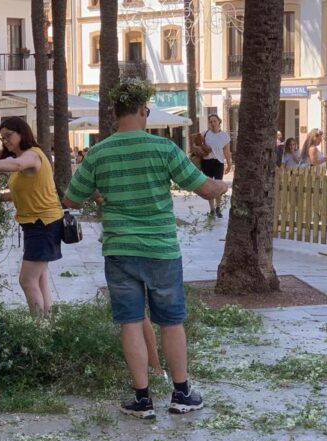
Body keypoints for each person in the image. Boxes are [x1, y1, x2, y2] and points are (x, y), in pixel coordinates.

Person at [63, 78, 228, 419]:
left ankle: (142, 399)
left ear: (113, 113)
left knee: (130, 321)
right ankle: (181, 394)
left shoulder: (98, 152)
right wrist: (224, 185)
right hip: (161, 249)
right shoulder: (164, 149)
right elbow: (206, 190)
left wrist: (99, 195)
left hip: (120, 249)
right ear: (142, 111)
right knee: (171, 322)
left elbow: (70, 199)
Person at [0, 117, 64, 318]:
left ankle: (38, 328)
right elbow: (23, 190)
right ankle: (46, 325)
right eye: (3, 138)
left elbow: (18, 164)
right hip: (35, 224)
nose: (6, 141)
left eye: (9, 135)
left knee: (27, 280)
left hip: (43, 223)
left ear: (22, 133)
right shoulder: (27, 157)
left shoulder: (33, 155)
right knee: (40, 278)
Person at [200, 113, 232, 218]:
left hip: (219, 162)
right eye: (210, 121)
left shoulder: (224, 136)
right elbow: (195, 142)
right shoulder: (205, 133)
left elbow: (227, 151)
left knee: (218, 186)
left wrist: (229, 163)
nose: (213, 123)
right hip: (207, 162)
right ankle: (212, 209)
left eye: (214, 121)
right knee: (209, 186)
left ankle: (218, 207)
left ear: (219, 122)